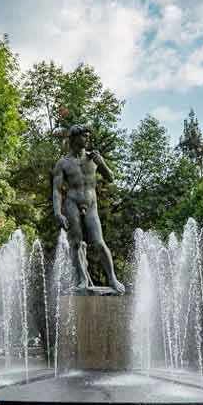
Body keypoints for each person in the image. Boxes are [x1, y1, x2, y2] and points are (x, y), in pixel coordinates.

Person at [52, 124, 125, 294]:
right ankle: (82, 280)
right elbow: (56, 190)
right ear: (74, 138)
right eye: (85, 135)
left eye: (88, 135)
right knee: (76, 243)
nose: (88, 138)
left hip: (91, 204)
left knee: (99, 243)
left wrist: (102, 163)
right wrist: (58, 213)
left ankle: (113, 279)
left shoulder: (94, 159)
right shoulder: (63, 163)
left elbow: (111, 178)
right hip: (72, 203)